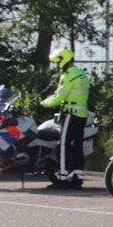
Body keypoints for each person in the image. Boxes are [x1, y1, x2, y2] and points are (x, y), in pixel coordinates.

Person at [41, 47, 90, 189]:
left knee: (63, 146)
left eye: (58, 62)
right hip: (82, 115)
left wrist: (44, 103)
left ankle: (62, 179)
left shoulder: (68, 76)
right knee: (77, 147)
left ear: (63, 61)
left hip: (71, 115)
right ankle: (77, 178)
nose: (57, 66)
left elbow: (59, 96)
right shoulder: (81, 74)